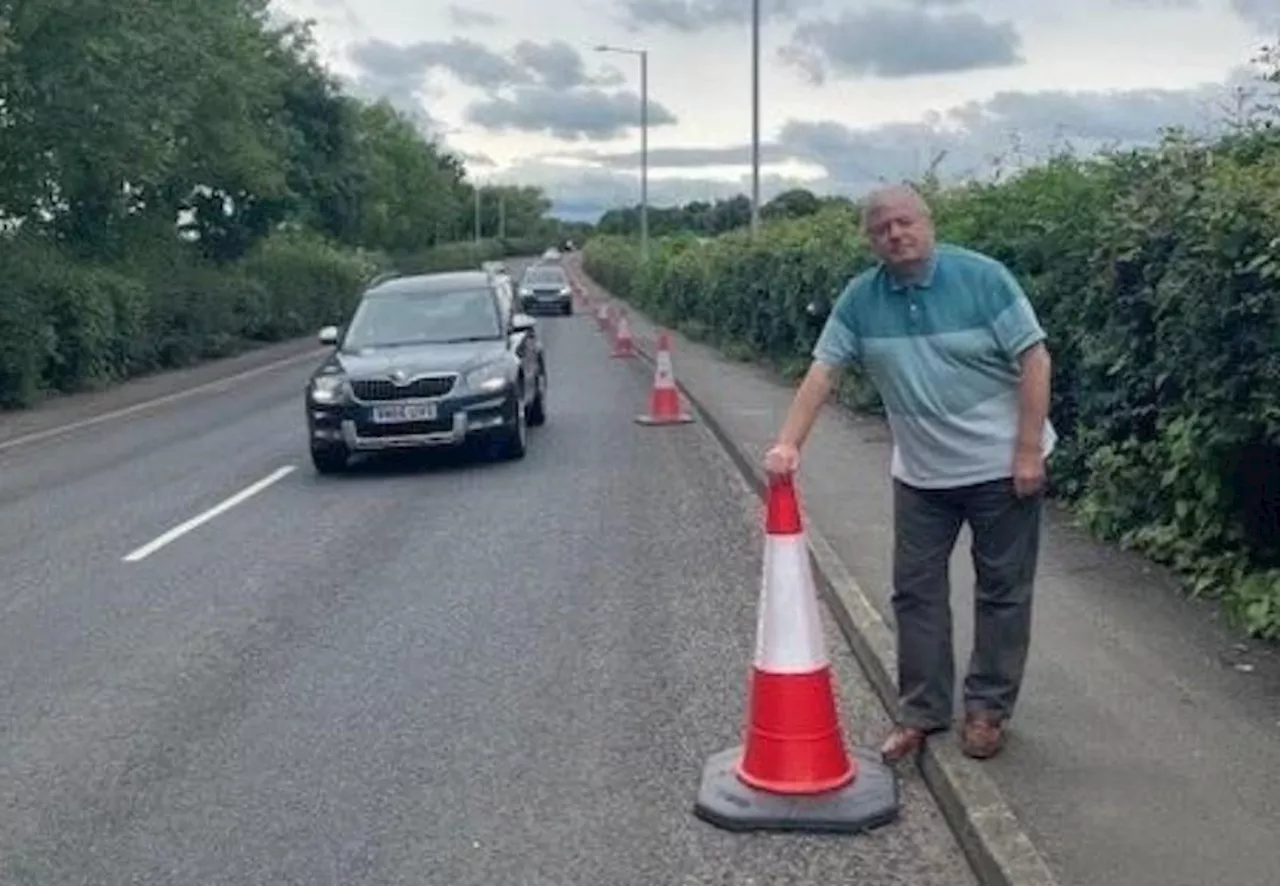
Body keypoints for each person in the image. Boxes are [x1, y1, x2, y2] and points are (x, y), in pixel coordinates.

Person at [763, 184, 1054, 762]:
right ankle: (922, 713)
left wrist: (1027, 451)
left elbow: (1034, 358)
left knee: (1002, 592)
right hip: (922, 476)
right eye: (880, 229)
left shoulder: (983, 278)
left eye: (903, 222)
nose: (894, 235)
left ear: (928, 222)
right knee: (915, 593)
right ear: (870, 240)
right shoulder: (860, 300)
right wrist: (788, 445)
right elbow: (823, 373)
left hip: (1001, 469)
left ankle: (987, 711)